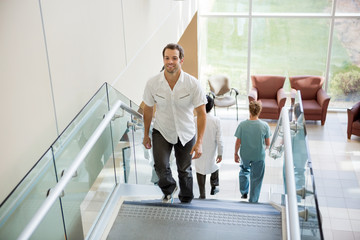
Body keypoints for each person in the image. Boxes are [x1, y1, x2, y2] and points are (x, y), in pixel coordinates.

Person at [142, 43, 207, 203]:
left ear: (181, 60)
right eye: (167, 58)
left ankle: (186, 200)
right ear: (163, 59)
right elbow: (148, 109)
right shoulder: (152, 83)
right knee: (160, 166)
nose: (170, 61)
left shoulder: (192, 84)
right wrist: (145, 135)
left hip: (186, 132)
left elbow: (201, 113)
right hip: (162, 130)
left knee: (184, 170)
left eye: (174, 58)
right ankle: (170, 188)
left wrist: (199, 142)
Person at [234, 100, 271, 203]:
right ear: (259, 111)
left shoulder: (242, 125)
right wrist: (263, 148)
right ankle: (253, 200)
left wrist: (235, 154)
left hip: (245, 155)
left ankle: (244, 192)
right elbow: (268, 143)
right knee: (256, 178)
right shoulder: (264, 125)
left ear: (249, 111)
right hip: (258, 156)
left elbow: (238, 143)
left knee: (244, 171)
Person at [194, 95, 223, 199]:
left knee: (200, 170)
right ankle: (214, 185)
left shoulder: (194, 120)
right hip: (212, 149)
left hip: (198, 149)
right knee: (214, 164)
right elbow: (220, 140)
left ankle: (202, 194)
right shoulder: (216, 120)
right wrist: (220, 153)